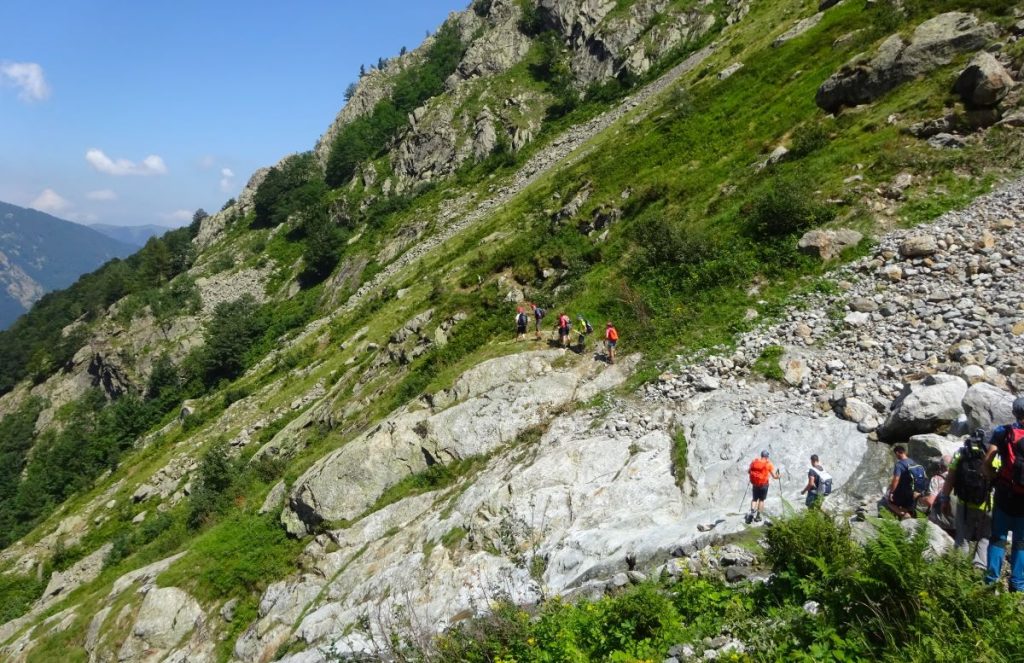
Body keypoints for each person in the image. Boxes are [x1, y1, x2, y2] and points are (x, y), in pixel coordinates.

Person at [982, 397, 1024, 591]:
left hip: (1005, 494)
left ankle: (991, 582)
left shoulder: (1003, 432)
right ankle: (1018, 585)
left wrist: (994, 478)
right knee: (1021, 543)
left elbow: (987, 463)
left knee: (998, 537)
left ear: (1015, 412)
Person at [939, 429, 994, 570]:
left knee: (963, 536)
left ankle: (959, 570)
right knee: (985, 537)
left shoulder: (960, 453)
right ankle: (979, 567)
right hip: (987, 504)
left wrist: (944, 499)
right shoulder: (992, 454)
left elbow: (950, 478)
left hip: (964, 503)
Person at [886, 445, 926, 520]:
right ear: (904, 452)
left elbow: (896, 479)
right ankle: (908, 513)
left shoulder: (899, 464)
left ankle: (904, 515)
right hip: (916, 491)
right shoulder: (913, 462)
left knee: (888, 501)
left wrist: (891, 493)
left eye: (895, 454)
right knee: (906, 505)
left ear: (897, 453)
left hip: (905, 493)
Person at [918, 455, 954, 536]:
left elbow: (930, 501)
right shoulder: (959, 478)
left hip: (940, 522)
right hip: (957, 522)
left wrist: (919, 498)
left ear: (940, 466)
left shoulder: (937, 479)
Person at [746, 450, 781, 524]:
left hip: (755, 484)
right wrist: (779, 476)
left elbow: (749, 471)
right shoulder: (768, 464)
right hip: (764, 485)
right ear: (767, 456)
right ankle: (758, 516)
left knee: (754, 499)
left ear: (761, 455)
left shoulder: (754, 462)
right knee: (761, 500)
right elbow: (774, 477)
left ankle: (752, 513)